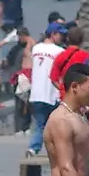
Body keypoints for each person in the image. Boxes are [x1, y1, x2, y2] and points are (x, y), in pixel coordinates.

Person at [25, 20, 67, 155]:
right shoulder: (60, 52)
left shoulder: (36, 49)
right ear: (53, 34)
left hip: (36, 93)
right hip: (51, 93)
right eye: (60, 34)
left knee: (40, 124)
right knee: (56, 124)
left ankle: (33, 149)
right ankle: (55, 150)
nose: (62, 37)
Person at [48, 24, 89, 91]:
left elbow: (53, 79)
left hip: (65, 97)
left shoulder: (60, 56)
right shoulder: (87, 57)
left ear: (67, 39)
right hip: (80, 95)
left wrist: (63, 90)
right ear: (82, 40)